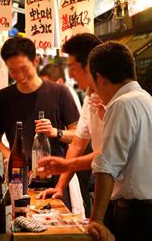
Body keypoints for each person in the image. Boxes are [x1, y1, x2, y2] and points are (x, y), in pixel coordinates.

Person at [85, 42, 152, 241]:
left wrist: (97, 220)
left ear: (99, 78)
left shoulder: (122, 104)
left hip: (140, 219)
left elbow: (107, 166)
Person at [0, 37, 80, 208]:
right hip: (19, 181)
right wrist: (12, 158)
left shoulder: (59, 92)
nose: (19, 76)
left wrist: (56, 132)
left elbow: (78, 135)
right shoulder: (3, 97)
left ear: (35, 61)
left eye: (24, 69)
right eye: (13, 71)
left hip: (56, 181)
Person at [36, 34, 103, 220]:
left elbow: (108, 155)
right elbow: (78, 143)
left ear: (90, 66)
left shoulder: (120, 102)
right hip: (112, 199)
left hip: (142, 208)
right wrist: (59, 187)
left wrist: (65, 163)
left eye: (72, 68)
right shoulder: (90, 97)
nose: (71, 75)